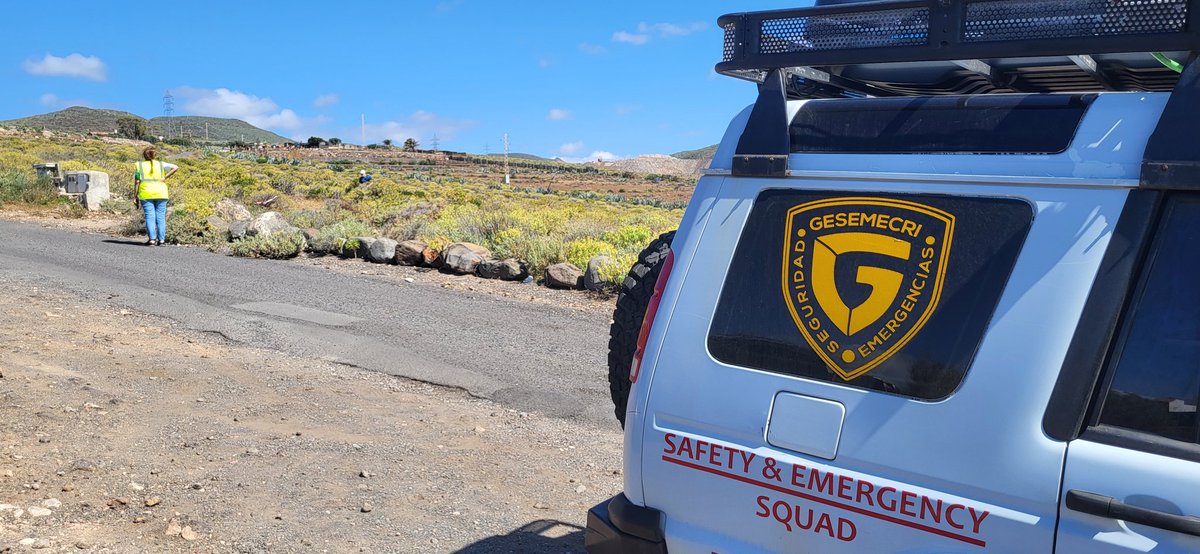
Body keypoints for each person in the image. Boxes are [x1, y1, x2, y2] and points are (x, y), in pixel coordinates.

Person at [134, 146, 178, 246]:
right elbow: (176, 167)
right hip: (161, 192)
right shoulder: (161, 164)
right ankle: (161, 240)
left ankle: (152, 240)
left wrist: (135, 196)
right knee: (161, 217)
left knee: (150, 217)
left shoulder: (139, 165)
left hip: (146, 193)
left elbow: (137, 182)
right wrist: (164, 177)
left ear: (144, 155)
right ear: (155, 154)